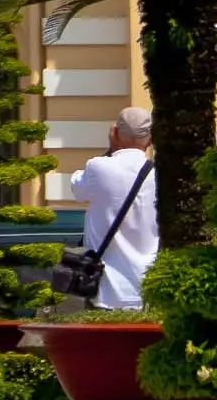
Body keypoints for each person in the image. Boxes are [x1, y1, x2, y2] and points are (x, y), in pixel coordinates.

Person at [65, 111, 160, 312]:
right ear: (150, 139)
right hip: (148, 289)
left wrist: (111, 148)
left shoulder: (98, 168)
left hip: (104, 290)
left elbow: (77, 189)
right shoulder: (158, 174)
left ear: (114, 133)